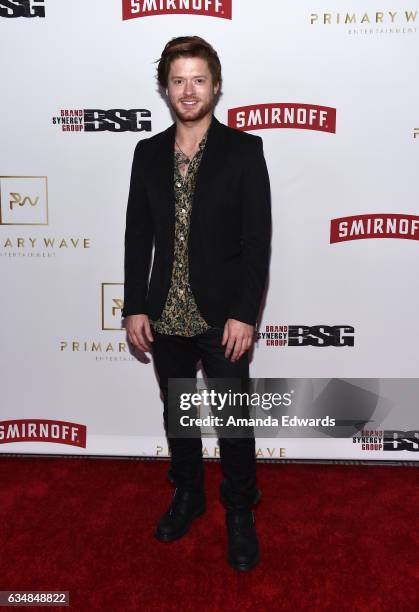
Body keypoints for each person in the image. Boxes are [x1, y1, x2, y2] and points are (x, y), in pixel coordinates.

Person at [122, 36, 271, 571]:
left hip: (224, 314)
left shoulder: (244, 150)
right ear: (166, 87)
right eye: (179, 80)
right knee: (177, 414)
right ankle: (188, 494)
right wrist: (134, 305)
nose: (189, 90)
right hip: (164, 314)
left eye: (199, 79)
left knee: (231, 420)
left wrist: (245, 313)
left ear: (216, 85)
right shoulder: (147, 152)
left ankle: (239, 510)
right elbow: (138, 234)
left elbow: (258, 241)